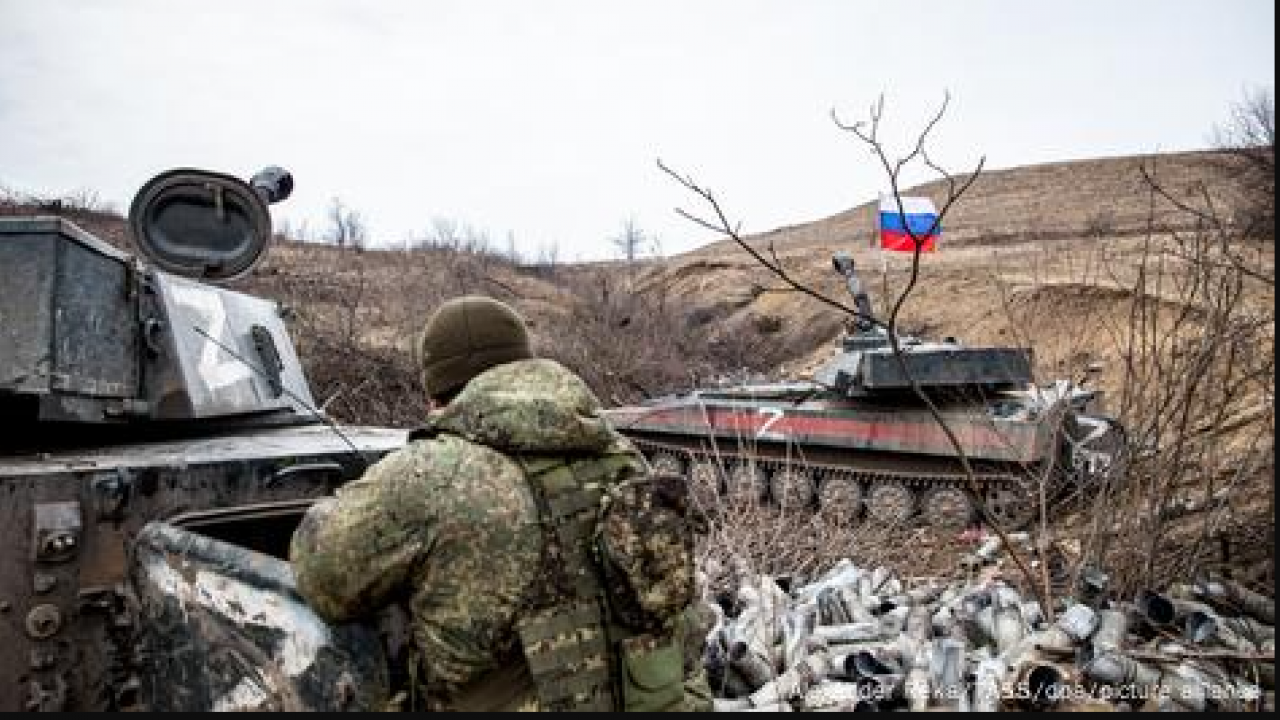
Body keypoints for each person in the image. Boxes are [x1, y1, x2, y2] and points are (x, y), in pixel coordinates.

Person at [289, 295, 711, 712]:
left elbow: (322, 580)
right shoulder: (620, 454)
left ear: (436, 393)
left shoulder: (428, 474)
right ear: (525, 364)